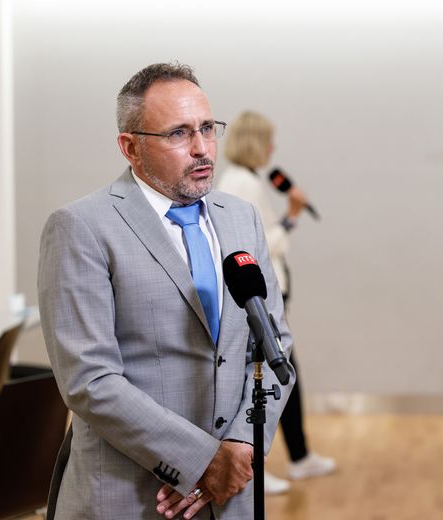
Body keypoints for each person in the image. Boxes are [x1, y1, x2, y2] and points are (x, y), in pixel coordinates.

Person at [38, 63, 294, 520]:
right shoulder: (81, 227)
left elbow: (275, 345)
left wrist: (239, 448)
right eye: (178, 133)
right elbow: (90, 381)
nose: (202, 148)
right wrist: (203, 463)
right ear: (130, 147)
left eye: (207, 128)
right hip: (131, 497)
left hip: (232, 493)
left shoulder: (241, 217)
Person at [217, 111, 336, 495]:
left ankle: (298, 456)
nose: (273, 148)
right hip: (258, 296)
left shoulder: (245, 181)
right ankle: (253, 464)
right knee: (268, 376)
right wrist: (291, 217)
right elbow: (257, 246)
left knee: (283, 374)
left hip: (272, 292)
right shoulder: (242, 184)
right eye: (269, 140)